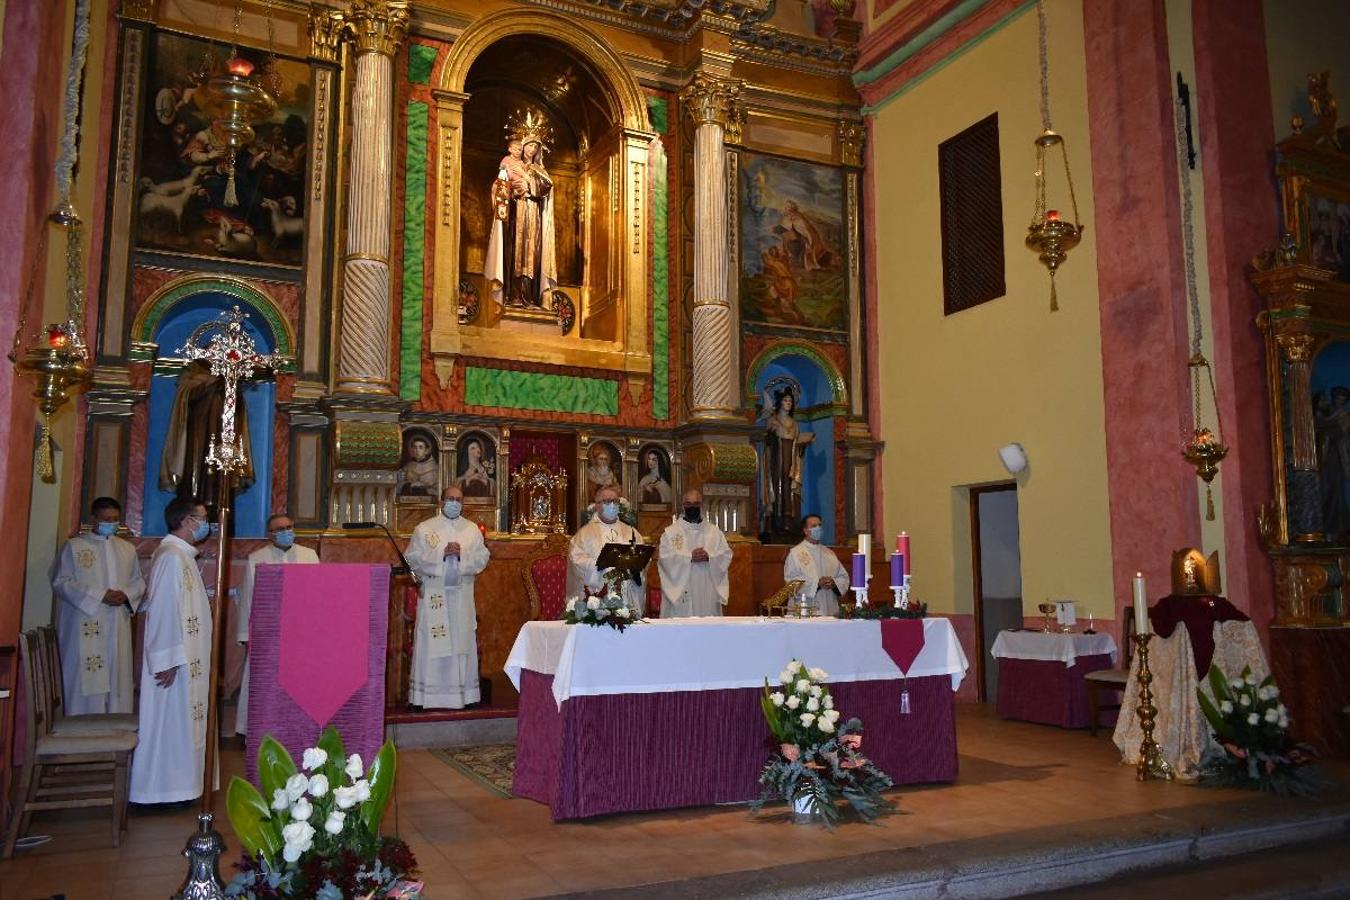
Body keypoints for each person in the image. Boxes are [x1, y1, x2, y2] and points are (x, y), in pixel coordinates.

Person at [130, 497, 214, 804]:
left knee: (179, 725)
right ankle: (158, 790)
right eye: (202, 518)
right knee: (169, 724)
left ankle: (179, 787)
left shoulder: (182, 556)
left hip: (186, 659)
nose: (206, 525)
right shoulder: (170, 557)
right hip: (174, 662)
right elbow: (163, 608)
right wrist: (165, 658)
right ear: (186, 520)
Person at [51, 497, 147, 715]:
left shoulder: (126, 549)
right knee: (84, 676)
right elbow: (61, 582)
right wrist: (100, 595)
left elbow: (138, 582)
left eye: (115, 520)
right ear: (93, 519)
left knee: (116, 674)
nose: (111, 524)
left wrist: (125, 595)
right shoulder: (74, 547)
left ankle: (114, 727)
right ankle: (79, 726)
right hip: (85, 621)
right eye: (106, 519)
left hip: (116, 624)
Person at [404, 486, 491, 709]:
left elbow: (482, 560)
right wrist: (439, 553)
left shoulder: (471, 530)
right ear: (441, 502)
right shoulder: (424, 529)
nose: (455, 503)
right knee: (432, 644)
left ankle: (465, 696)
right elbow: (411, 559)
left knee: (460, 644)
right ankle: (424, 698)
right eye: (451, 499)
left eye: (459, 499)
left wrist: (463, 553)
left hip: (461, 596)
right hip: (435, 594)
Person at [233, 513, 318, 735]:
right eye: (280, 529)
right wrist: (246, 634)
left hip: (302, 633)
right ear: (270, 535)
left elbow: (319, 593)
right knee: (266, 685)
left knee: (299, 682)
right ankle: (260, 730)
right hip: (268, 633)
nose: (286, 531)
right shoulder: (257, 558)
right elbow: (248, 599)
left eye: (289, 527)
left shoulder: (310, 556)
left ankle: (297, 729)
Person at [567, 486, 647, 616]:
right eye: (607, 501)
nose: (613, 505)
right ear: (597, 505)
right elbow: (576, 560)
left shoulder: (631, 532)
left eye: (615, 501)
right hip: (598, 595)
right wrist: (601, 566)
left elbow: (642, 559)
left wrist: (634, 566)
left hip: (626, 593)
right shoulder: (585, 534)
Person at [657, 489, 732, 618]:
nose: (692, 507)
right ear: (683, 506)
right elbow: (665, 558)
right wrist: (689, 557)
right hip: (682, 589)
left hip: (707, 589)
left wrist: (710, 557)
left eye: (696, 504)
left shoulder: (714, 532)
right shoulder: (670, 533)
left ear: (701, 505)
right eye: (689, 504)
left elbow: (726, 554)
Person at [763, 389, 814, 534]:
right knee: (779, 484)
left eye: (790, 401)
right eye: (785, 400)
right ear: (779, 402)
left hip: (791, 460)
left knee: (790, 486)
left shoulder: (795, 423)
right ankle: (776, 520)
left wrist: (802, 444)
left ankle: (790, 520)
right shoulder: (773, 420)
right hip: (777, 460)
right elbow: (768, 440)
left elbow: (796, 442)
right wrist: (773, 432)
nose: (788, 403)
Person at [783, 513, 849, 617]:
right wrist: (817, 584)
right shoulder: (796, 553)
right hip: (805, 609)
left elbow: (843, 577)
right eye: (814, 526)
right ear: (805, 531)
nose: (818, 528)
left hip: (829, 607)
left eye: (819, 525)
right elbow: (791, 582)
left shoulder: (829, 553)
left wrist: (834, 583)